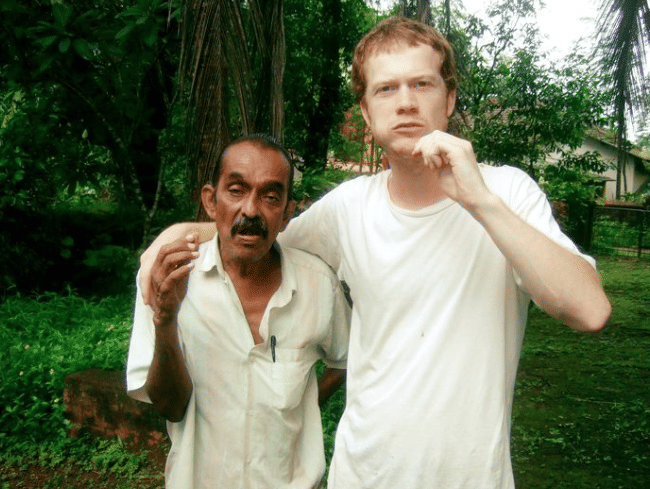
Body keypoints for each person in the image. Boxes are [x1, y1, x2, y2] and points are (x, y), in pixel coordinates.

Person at [139, 17, 611, 489]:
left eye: (422, 84)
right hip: (362, 475)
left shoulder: (507, 192)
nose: (405, 102)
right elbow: (263, 233)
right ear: (366, 112)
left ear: (448, 98)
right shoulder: (350, 207)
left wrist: (479, 200)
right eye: (386, 89)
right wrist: (186, 231)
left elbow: (589, 311)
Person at [126, 134, 350, 489]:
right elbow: (169, 407)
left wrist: (303, 407)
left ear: (288, 213)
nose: (250, 210)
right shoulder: (169, 279)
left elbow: (344, 360)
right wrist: (165, 320)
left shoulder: (318, 285)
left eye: (270, 196)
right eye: (236, 190)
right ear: (210, 201)